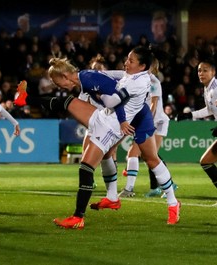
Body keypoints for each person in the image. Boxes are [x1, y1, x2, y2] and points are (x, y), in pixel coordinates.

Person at [15, 47, 180, 229]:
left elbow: (115, 98)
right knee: (68, 104)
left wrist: (123, 121)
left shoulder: (94, 79)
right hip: (110, 116)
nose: (57, 86)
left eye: (57, 82)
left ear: (65, 77)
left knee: (95, 166)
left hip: (118, 121)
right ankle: (112, 198)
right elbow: (113, 78)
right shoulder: (90, 78)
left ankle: (79, 217)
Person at [119, 59, 176, 198]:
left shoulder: (153, 81)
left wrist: (144, 122)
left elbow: (153, 105)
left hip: (157, 122)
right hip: (148, 121)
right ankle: (165, 185)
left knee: (141, 155)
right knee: (148, 156)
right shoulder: (136, 81)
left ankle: (129, 189)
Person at [176, 57, 217, 191]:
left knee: (206, 161)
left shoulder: (215, 89)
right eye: (199, 70)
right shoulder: (208, 89)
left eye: (205, 70)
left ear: (213, 72)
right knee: (206, 162)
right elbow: (210, 110)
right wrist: (190, 114)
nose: (201, 73)